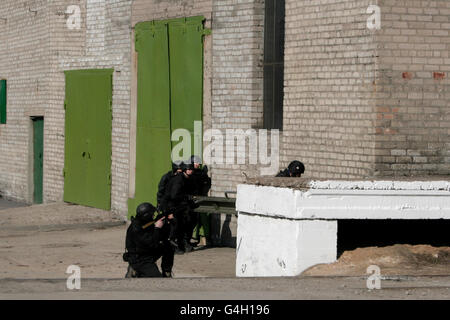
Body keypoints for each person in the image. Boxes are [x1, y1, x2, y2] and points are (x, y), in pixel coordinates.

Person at [123, 202, 175, 278]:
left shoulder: (144, 222)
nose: (153, 215)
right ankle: (135, 270)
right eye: (152, 214)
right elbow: (152, 243)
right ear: (147, 216)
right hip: (139, 259)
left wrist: (167, 221)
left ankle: (167, 272)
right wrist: (157, 228)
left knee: (168, 246)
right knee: (157, 279)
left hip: (146, 252)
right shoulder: (136, 229)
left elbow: (160, 237)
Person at [160, 161, 197, 254]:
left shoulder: (188, 178)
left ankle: (183, 243)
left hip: (179, 206)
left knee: (186, 222)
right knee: (175, 225)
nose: (191, 171)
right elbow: (173, 196)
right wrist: (187, 197)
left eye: (192, 169)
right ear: (185, 170)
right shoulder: (178, 180)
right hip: (170, 206)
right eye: (189, 169)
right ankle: (172, 245)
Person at [189, 155, 212, 247]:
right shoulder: (189, 173)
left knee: (203, 218)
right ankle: (194, 237)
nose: (198, 164)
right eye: (196, 162)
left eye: (198, 163)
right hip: (193, 199)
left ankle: (204, 237)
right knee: (194, 219)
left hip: (201, 198)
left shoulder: (201, 174)